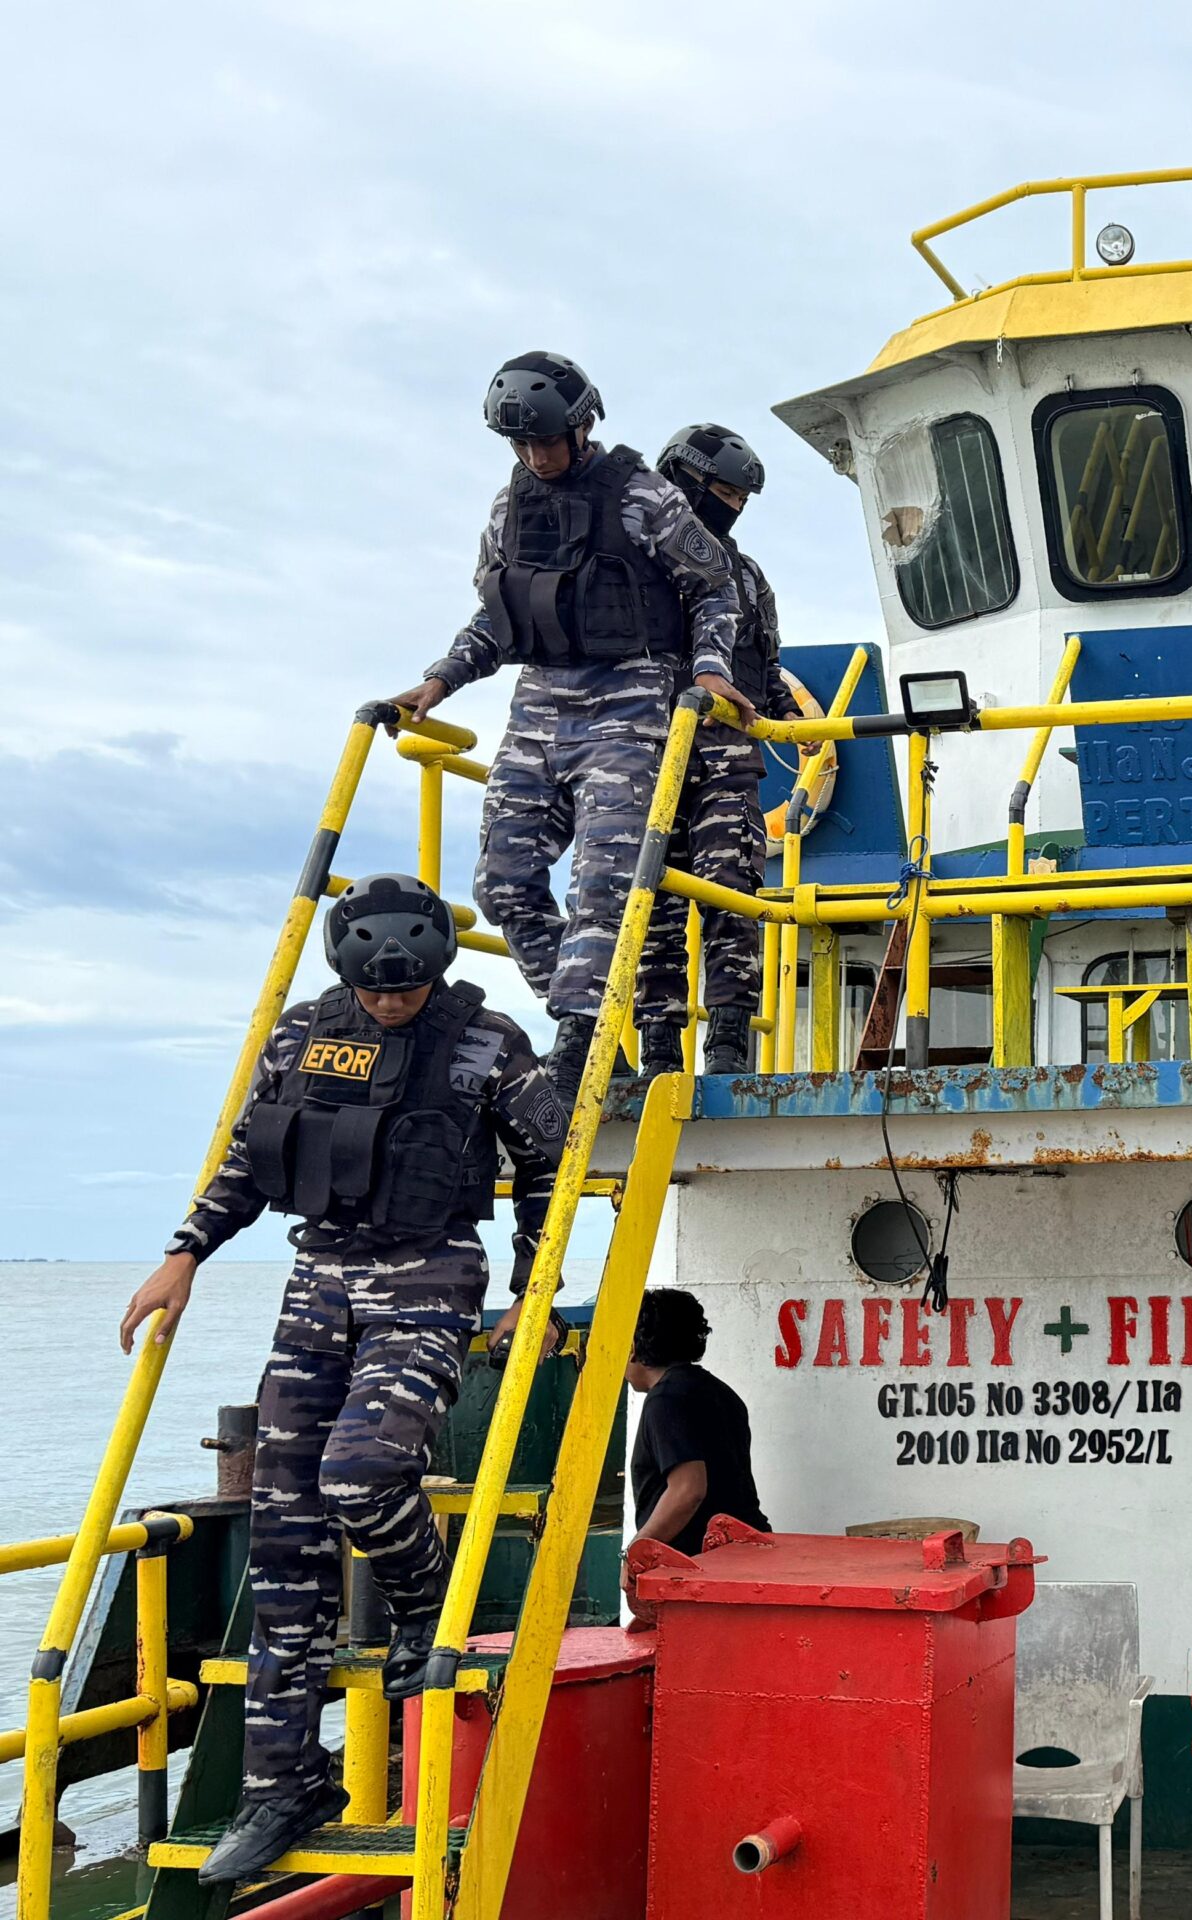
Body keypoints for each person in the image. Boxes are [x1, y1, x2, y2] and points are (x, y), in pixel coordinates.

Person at [116, 875, 568, 1880]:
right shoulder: (303, 1034)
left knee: (361, 1476)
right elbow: (250, 1158)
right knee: (284, 1530)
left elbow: (549, 1163)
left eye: (406, 989)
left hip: (431, 1274)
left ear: (434, 969)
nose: (390, 1002)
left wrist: (535, 1286)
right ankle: (285, 1784)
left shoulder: (489, 1041)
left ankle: (423, 1596)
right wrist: (184, 1254)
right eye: (375, 990)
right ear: (348, 972)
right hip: (318, 1279)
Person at [381, 352, 758, 1093]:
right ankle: (596, 1032)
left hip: (630, 704)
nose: (535, 456)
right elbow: (496, 614)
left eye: (546, 440)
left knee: (602, 885)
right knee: (502, 884)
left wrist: (711, 668)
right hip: (539, 707)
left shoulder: (644, 497)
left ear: (581, 427)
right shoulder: (508, 509)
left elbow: (714, 587)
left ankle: (580, 1037)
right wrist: (440, 679)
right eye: (520, 444)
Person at [630, 425, 789, 1076]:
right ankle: (658, 1049)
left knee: (732, 895)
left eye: (742, 499)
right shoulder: (633, 567)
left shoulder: (746, 578)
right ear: (683, 481)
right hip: (645, 760)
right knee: (651, 908)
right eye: (725, 493)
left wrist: (792, 718)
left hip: (727, 764)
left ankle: (728, 1043)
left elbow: (765, 668)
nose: (735, 507)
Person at [625, 1288, 768, 1584]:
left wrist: (636, 1554)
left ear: (632, 1347)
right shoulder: (721, 1392)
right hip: (745, 1557)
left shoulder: (665, 1400)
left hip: (698, 1569)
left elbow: (688, 1490)